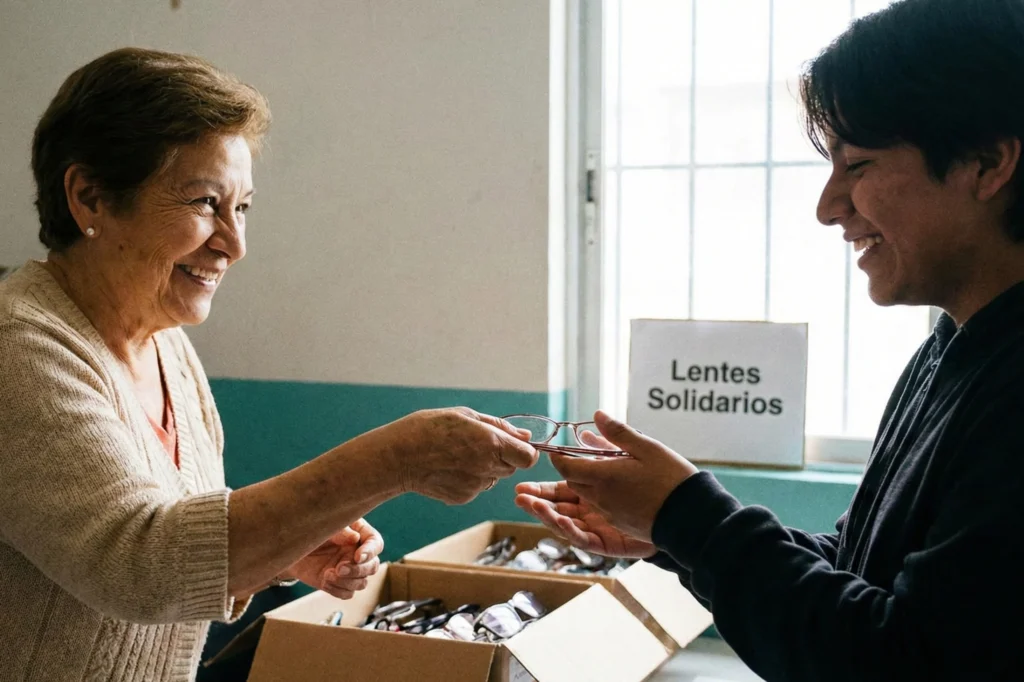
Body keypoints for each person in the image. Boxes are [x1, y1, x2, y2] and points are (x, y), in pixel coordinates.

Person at [516, 0, 1024, 679]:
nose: (828, 206)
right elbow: (854, 571)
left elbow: (899, 659)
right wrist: (669, 534)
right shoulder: (952, 349)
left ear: (986, 164)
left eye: (860, 164)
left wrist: (690, 517)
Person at [0, 47, 538, 682]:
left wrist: (286, 548)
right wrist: (397, 459)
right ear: (89, 197)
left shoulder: (164, 339)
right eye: (205, 202)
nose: (234, 243)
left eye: (243, 207)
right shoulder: (19, 348)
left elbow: (177, 535)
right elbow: (141, 563)